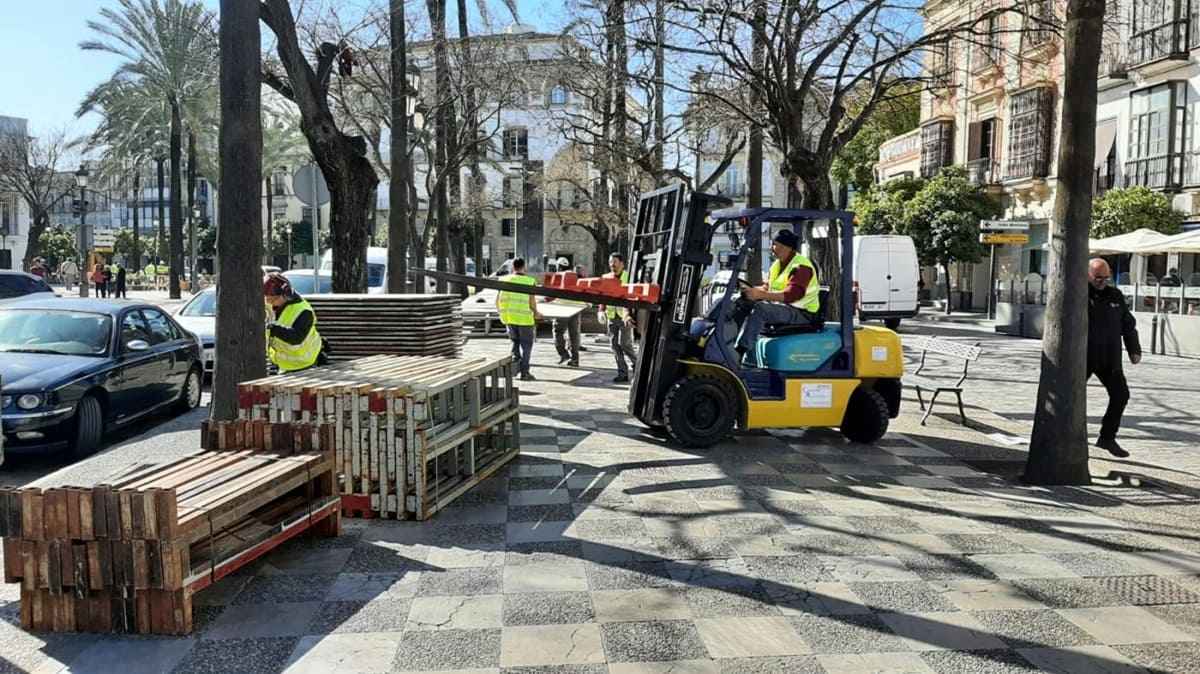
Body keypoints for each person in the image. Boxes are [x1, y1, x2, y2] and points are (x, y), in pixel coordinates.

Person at [706, 228, 820, 364]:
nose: (773, 248)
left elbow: (791, 296)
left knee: (761, 309)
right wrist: (750, 291)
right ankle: (725, 344)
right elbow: (768, 287)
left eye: (776, 244)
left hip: (802, 313)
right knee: (744, 303)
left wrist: (760, 294)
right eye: (773, 244)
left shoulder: (801, 267)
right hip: (784, 308)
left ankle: (740, 350)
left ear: (787, 247)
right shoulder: (777, 265)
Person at [1088, 258, 1141, 458]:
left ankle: (1107, 438)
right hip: (1083, 356)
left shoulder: (1115, 296)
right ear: (1089, 275)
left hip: (1109, 357)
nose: (1102, 282)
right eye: (1098, 278)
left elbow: (1128, 325)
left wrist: (1134, 350)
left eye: (1106, 278)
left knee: (1121, 395)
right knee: (1071, 396)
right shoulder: (1079, 293)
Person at [264, 272, 326, 373]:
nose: (267, 300)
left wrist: (272, 328)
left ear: (283, 295)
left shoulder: (303, 311)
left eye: (269, 297)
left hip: (304, 363)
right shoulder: (273, 306)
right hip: (282, 363)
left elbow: (296, 337)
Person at [495, 258, 541, 381]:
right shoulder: (529, 281)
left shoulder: (503, 280)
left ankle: (514, 370)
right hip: (524, 318)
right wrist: (536, 312)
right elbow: (531, 300)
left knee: (514, 343)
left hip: (509, 317)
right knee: (526, 345)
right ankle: (524, 372)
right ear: (523, 267)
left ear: (512, 267)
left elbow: (497, 300)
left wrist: (501, 313)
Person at [599, 253, 637, 383]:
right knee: (614, 345)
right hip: (612, 316)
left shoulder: (629, 276)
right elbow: (602, 295)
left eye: (615, 262)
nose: (612, 265)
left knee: (625, 344)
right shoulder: (606, 278)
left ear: (622, 263)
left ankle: (637, 365)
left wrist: (631, 314)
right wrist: (601, 310)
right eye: (610, 262)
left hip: (625, 316)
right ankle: (622, 373)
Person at [546, 257, 584, 367]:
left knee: (558, 332)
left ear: (559, 266)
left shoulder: (558, 276)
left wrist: (546, 301)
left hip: (562, 308)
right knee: (574, 334)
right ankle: (575, 359)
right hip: (576, 308)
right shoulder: (576, 276)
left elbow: (552, 293)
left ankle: (564, 354)